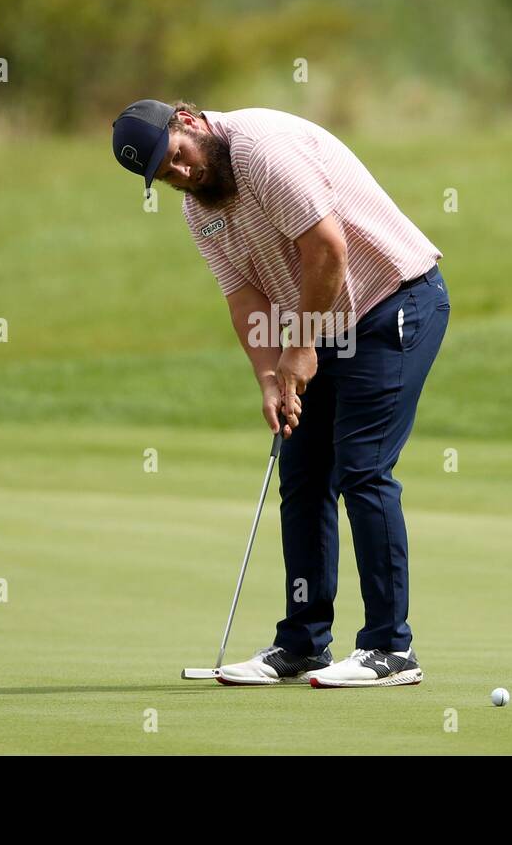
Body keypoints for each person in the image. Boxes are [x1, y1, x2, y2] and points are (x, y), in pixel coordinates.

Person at [112, 99, 449, 688]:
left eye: (178, 158)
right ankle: (302, 644)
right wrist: (270, 376)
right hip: (319, 326)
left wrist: (300, 346)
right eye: (164, 176)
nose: (181, 175)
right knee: (302, 474)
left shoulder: (263, 151)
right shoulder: (201, 209)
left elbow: (327, 249)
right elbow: (242, 297)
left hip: (391, 304)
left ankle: (391, 650)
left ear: (188, 119)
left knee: (363, 470)